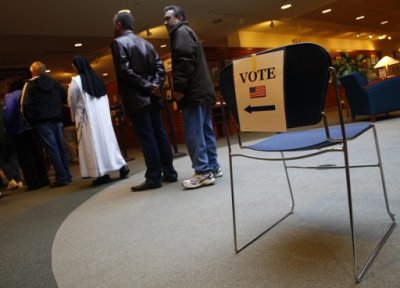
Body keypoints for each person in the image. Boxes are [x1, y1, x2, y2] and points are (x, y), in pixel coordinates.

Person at [111, 10, 178, 192]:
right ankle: (170, 172)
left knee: (147, 137)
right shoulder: (146, 42)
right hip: (154, 96)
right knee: (160, 134)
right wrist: (155, 85)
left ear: (118, 25)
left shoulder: (118, 43)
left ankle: (153, 177)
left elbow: (125, 71)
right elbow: (159, 66)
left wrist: (148, 86)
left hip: (136, 98)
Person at [163, 5, 222, 189]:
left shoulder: (180, 33)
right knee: (205, 131)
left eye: (168, 18)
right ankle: (213, 167)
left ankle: (203, 172)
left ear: (179, 18)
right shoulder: (188, 32)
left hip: (192, 93)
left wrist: (179, 87)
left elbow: (185, 60)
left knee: (194, 133)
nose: (164, 22)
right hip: (201, 92)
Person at [68, 55, 129, 186]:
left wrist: (73, 116)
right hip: (103, 118)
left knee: (93, 145)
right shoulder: (98, 79)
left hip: (87, 119)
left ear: (77, 66)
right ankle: (121, 166)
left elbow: (72, 100)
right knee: (109, 143)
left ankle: (101, 174)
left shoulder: (76, 81)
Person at [21, 61, 72, 187]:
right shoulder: (55, 82)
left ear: (33, 72)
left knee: (52, 149)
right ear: (44, 71)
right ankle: (67, 175)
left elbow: (25, 106)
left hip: (42, 122)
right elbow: (65, 96)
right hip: (57, 119)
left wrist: (32, 122)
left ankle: (61, 177)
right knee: (61, 148)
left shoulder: (30, 85)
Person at [4, 78, 50, 190]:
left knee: (26, 157)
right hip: (32, 126)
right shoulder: (28, 91)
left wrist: (6, 126)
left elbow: (9, 113)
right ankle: (43, 179)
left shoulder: (11, 96)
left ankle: (34, 183)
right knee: (37, 154)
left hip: (18, 129)